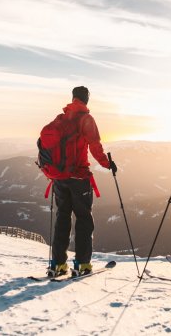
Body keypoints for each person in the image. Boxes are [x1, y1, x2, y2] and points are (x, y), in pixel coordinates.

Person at [48, 86, 117, 277]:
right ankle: (82, 264)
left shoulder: (60, 119)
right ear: (86, 99)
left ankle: (58, 264)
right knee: (84, 219)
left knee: (62, 217)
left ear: (73, 98)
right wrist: (108, 164)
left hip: (59, 178)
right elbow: (95, 146)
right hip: (79, 178)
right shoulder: (86, 119)